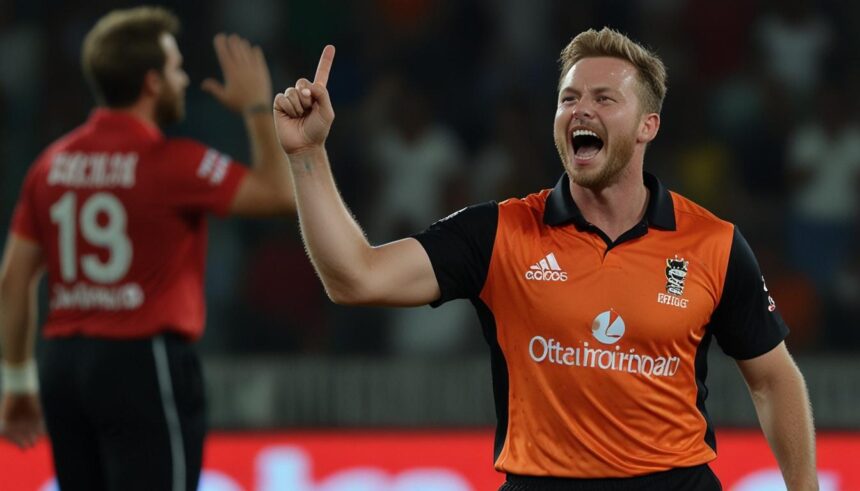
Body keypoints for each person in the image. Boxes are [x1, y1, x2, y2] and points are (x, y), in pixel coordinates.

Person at [273, 28, 818, 490]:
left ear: (647, 125)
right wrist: (306, 154)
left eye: (604, 98)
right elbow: (355, 278)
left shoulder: (713, 243)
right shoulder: (499, 233)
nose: (581, 109)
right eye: (569, 97)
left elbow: (773, 380)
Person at [0, 6, 294, 491]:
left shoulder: (50, 165)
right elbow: (279, 195)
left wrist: (16, 383)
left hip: (64, 367)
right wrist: (257, 109)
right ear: (152, 82)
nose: (184, 79)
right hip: (142, 362)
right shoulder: (173, 163)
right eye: (176, 68)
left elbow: (14, 280)